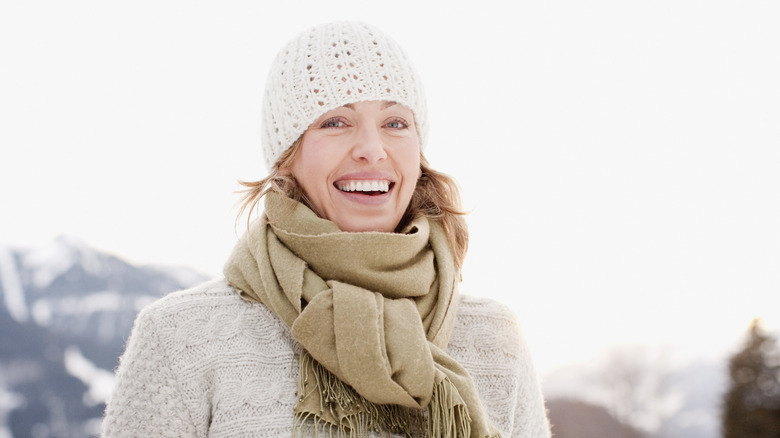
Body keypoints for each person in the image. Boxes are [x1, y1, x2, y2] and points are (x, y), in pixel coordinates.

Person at [101, 21, 551, 438]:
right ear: (287, 156)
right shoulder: (182, 338)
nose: (372, 150)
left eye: (395, 123)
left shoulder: (496, 340)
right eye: (335, 122)